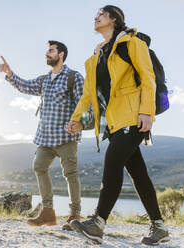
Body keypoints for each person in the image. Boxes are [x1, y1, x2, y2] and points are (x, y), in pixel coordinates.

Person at [65, 5, 169, 245]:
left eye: (100, 14)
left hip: (134, 116)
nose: (95, 17)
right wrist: (77, 119)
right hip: (114, 122)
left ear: (114, 19)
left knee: (112, 161)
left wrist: (147, 112)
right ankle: (160, 227)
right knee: (138, 173)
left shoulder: (131, 43)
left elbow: (147, 77)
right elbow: (88, 95)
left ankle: (97, 223)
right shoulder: (95, 57)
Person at [0, 41, 89, 229]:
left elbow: (86, 103)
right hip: (45, 138)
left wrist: (82, 124)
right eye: (47, 51)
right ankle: (48, 212)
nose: (47, 54)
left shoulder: (74, 77)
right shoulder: (44, 80)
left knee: (70, 173)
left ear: (61, 54)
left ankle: (75, 215)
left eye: (51, 51)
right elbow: (24, 86)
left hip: (67, 137)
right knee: (39, 166)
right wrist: (10, 74)